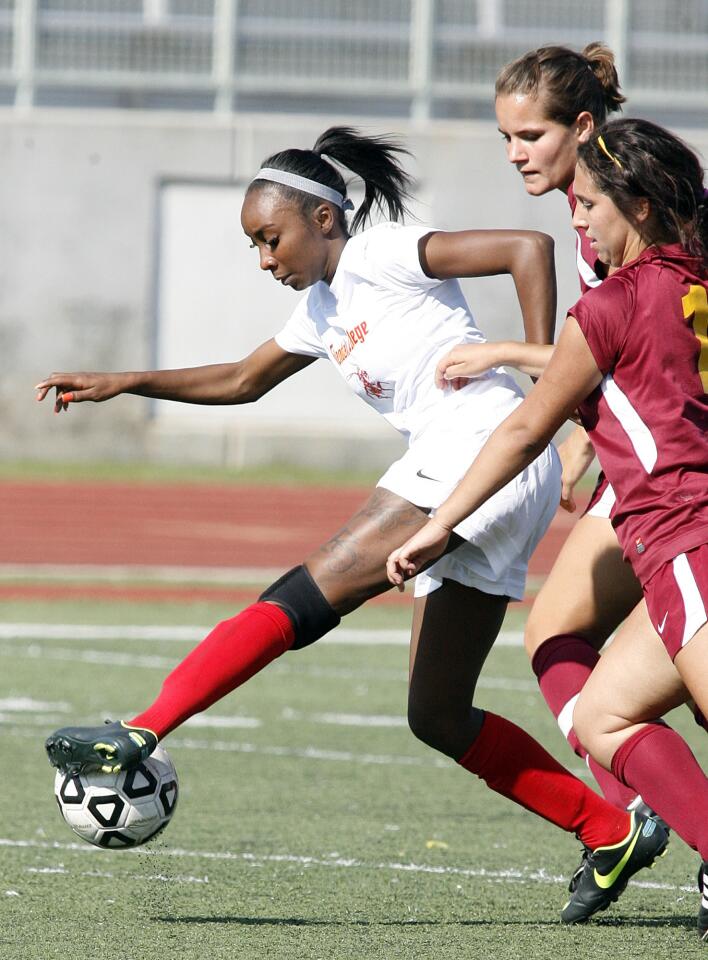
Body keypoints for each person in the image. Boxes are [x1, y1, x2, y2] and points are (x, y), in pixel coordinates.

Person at [37, 126, 667, 921]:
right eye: (254, 246)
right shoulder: (322, 309)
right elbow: (241, 379)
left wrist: (543, 376)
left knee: (304, 591)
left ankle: (142, 727)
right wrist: (125, 382)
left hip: (480, 449)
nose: (265, 259)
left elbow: (525, 245)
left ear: (325, 219)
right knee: (436, 714)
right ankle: (611, 829)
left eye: (272, 238)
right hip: (480, 470)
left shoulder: (382, 253)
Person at [386, 117, 708, 933]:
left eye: (592, 204)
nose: (581, 218)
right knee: (604, 715)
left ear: (636, 204)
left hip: (688, 542)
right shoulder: (694, 277)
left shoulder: (615, 303)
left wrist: (439, 525)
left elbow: (527, 428)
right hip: (673, 545)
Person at [493, 42, 670, 815]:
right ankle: (639, 811)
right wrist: (583, 440)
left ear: (584, 126)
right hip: (650, 457)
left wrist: (504, 354)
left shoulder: (638, 197)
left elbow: (652, 337)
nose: (514, 154)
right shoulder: (586, 208)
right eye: (505, 138)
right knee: (555, 634)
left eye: (529, 136)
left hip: (680, 467)